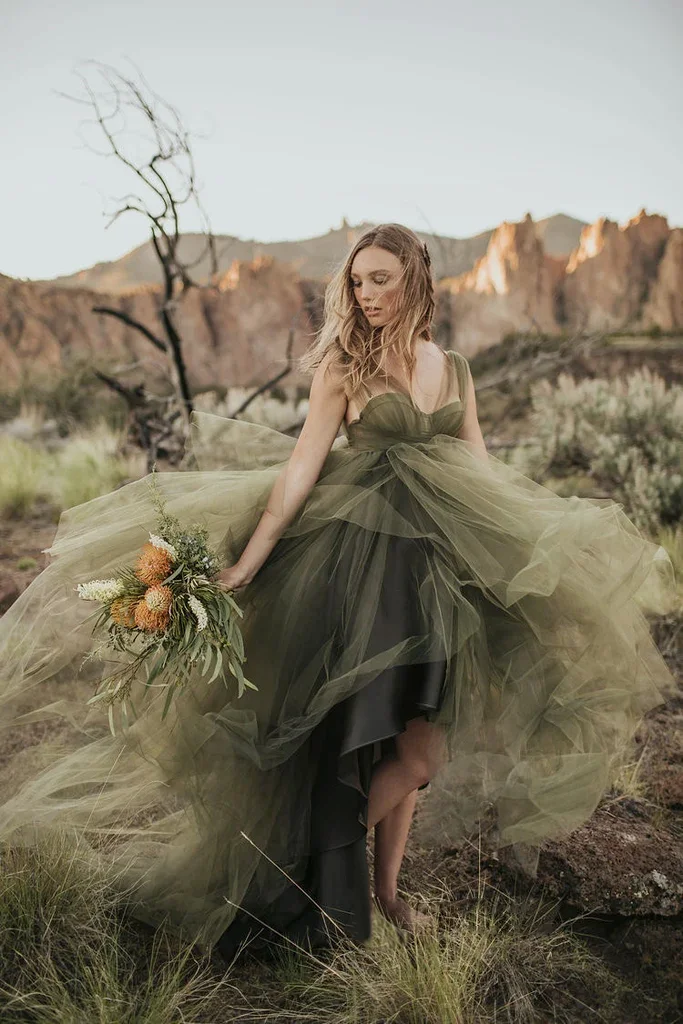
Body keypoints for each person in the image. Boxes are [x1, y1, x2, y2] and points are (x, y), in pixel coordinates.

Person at [0, 224, 676, 964]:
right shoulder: (343, 367)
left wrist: (534, 543)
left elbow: (481, 470)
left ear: (416, 278)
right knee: (381, 734)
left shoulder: (452, 368)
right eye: (358, 282)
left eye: (381, 279)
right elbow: (298, 472)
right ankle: (303, 868)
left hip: (440, 573)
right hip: (363, 572)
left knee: (417, 744)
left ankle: (381, 893)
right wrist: (249, 562)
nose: (367, 295)